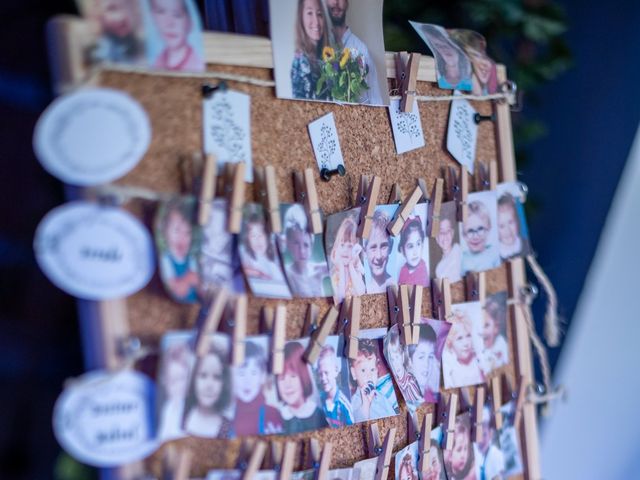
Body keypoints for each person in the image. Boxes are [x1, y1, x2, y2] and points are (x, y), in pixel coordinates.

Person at [325, 0, 383, 104]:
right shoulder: (321, 45)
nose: (336, 2)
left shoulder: (360, 49)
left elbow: (375, 97)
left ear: (347, 3)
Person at [232, 340, 284, 435]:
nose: (247, 381)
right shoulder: (226, 417)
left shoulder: (273, 414)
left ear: (262, 376)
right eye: (241, 373)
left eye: (254, 373)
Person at [183, 341, 233, 438]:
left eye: (217, 377)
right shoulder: (180, 419)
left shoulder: (230, 428)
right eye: (203, 375)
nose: (209, 385)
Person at [239, 206, 291, 298]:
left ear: (268, 237)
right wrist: (258, 273)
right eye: (253, 236)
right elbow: (243, 269)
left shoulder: (274, 258)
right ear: (247, 239)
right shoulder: (247, 255)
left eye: (261, 235)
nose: (258, 240)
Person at [276, 342, 328, 433]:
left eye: (293, 376)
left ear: (304, 376)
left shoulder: (319, 415)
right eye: (282, 378)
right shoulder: (276, 417)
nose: (287, 384)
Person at [281, 204, 331, 297]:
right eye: (296, 243)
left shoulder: (318, 269)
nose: (302, 251)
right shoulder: (287, 273)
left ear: (311, 246)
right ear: (289, 244)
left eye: (306, 245)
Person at [158, 199, 200, 303]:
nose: (182, 237)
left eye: (187, 232)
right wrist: (188, 279)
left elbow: (196, 278)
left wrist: (187, 280)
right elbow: (172, 284)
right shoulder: (166, 258)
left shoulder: (191, 257)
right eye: (177, 230)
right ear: (164, 230)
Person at [200, 199, 243, 293]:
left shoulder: (233, 260)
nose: (218, 238)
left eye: (221, 235)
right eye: (211, 231)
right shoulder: (200, 250)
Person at [291, 0, 330, 100]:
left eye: (319, 14)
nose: (316, 21)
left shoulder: (324, 56)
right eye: (309, 13)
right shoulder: (300, 62)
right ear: (301, 19)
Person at [349, 339, 397, 421]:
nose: (369, 375)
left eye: (372, 369)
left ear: (377, 371)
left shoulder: (381, 397)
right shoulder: (354, 404)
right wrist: (365, 406)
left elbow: (394, 418)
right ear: (353, 373)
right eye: (363, 370)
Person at [149, 0, 204, 71]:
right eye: (161, 12)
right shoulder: (157, 61)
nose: (169, 23)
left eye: (177, 15)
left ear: (191, 22)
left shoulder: (195, 63)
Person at [85, 0, 144, 64]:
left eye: (127, 6)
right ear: (98, 13)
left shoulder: (142, 42)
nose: (122, 16)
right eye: (112, 9)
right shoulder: (101, 53)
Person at [416, 24, 472, 91]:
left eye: (447, 43)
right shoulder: (433, 77)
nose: (444, 48)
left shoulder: (471, 79)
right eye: (437, 45)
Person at [158, 341, 191, 440]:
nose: (178, 385)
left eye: (181, 378)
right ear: (164, 380)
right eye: (173, 380)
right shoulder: (166, 411)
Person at [448, 29, 498, 96]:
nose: (485, 63)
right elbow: (476, 92)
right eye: (473, 56)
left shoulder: (491, 69)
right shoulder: (459, 77)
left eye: (482, 55)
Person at [329, 214, 366, 302]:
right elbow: (339, 298)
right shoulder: (335, 273)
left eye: (350, 246)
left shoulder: (356, 270)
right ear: (336, 247)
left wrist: (351, 266)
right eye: (342, 245)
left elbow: (361, 291)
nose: (345, 250)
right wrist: (341, 268)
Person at [443, 311, 485, 388]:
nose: (466, 343)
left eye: (468, 336)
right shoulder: (451, 373)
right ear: (450, 343)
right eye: (459, 338)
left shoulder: (480, 362)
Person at [315, 345, 354, 428]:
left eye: (326, 373)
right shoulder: (318, 401)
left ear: (336, 371)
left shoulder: (344, 405)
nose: (323, 378)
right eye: (320, 374)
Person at [383, 326, 422, 407]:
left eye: (396, 357)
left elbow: (417, 401)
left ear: (402, 356)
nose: (395, 363)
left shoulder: (411, 381)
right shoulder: (391, 382)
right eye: (392, 359)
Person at [460, 200, 500, 275]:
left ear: (488, 229)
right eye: (470, 231)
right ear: (463, 235)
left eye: (480, 229)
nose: (475, 236)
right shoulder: (461, 260)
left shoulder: (495, 255)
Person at [408, 324, 440, 403]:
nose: (427, 364)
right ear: (409, 360)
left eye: (430, 357)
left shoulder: (432, 397)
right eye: (421, 357)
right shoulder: (408, 399)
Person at [364, 209, 395, 293]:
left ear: (391, 246)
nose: (378, 256)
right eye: (373, 247)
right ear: (364, 251)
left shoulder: (397, 286)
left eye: (383, 246)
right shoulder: (362, 289)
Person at [473, 406, 506, 480]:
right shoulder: (478, 456)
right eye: (477, 435)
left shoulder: (497, 456)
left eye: (484, 435)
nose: (480, 440)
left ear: (490, 433)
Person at [479, 293, 509, 374]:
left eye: (486, 325)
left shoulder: (501, 348)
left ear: (496, 327)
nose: (481, 332)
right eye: (477, 326)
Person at [397, 217, 429, 286]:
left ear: (422, 245)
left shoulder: (422, 272)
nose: (415, 252)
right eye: (410, 246)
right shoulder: (403, 271)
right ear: (403, 250)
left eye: (418, 244)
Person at [444, 415, 477, 480]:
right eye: (459, 449)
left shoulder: (471, 470)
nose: (463, 455)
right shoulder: (447, 476)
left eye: (465, 449)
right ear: (449, 455)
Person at [434, 215, 462, 283]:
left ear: (452, 233)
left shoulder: (459, 250)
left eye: (448, 230)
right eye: (441, 232)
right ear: (436, 238)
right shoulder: (439, 269)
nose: (445, 235)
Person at [497, 193, 524, 260]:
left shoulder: (522, 243)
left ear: (517, 221)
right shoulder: (496, 251)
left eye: (511, 222)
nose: (508, 230)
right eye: (501, 226)